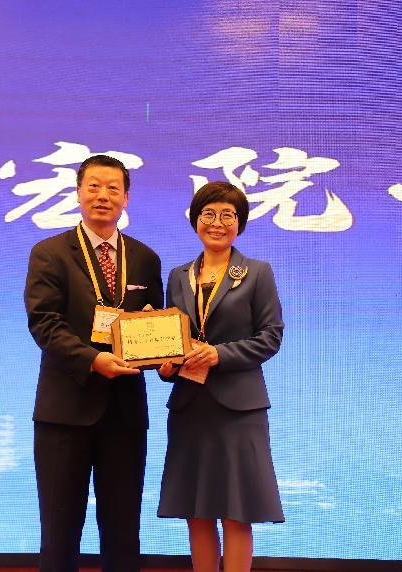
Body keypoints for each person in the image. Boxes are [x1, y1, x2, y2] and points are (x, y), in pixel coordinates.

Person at [24, 154, 163, 572]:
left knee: (123, 531)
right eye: (94, 187)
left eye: (113, 188)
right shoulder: (50, 253)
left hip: (124, 413)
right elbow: (44, 324)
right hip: (65, 413)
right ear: (78, 192)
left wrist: (165, 354)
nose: (103, 196)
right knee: (60, 532)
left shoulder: (145, 258)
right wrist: (93, 360)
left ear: (126, 198)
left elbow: (154, 327)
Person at [157, 181, 284, 572]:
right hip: (190, 406)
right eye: (208, 214)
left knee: (236, 510)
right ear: (196, 220)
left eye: (227, 215)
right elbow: (172, 338)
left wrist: (219, 354)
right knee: (196, 510)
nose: (217, 222)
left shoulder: (257, 272)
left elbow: (271, 336)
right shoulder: (178, 276)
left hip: (238, 409)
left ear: (239, 223)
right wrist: (166, 365)